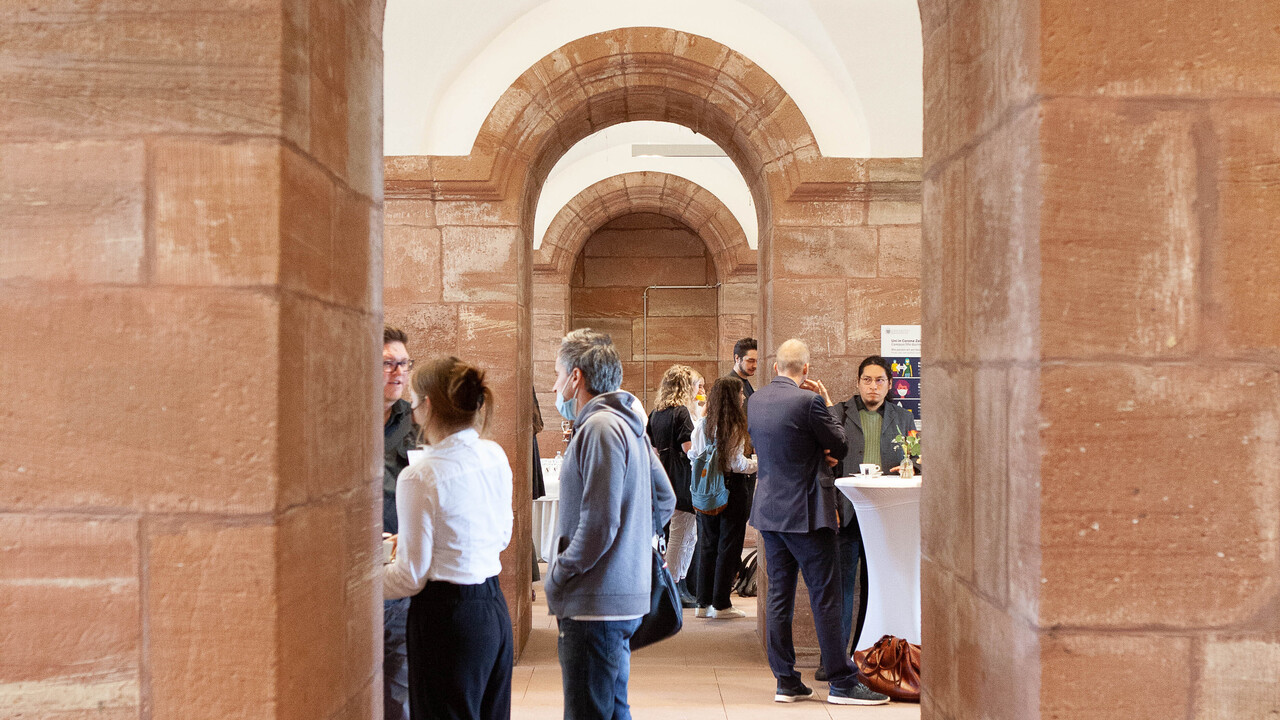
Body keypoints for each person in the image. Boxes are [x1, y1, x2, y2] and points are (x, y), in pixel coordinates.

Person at [746, 339, 889, 706]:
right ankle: (842, 682)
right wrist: (825, 403)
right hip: (807, 513)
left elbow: (781, 446)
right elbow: (839, 445)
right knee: (826, 596)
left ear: (775, 367)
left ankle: (786, 681)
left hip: (769, 513)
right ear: (806, 370)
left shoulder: (756, 400)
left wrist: (816, 450)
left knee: (779, 596)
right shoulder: (809, 402)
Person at [543, 329, 676, 720]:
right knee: (613, 708)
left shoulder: (600, 427)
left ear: (576, 377)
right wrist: (631, 547)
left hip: (594, 603)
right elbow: (664, 498)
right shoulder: (627, 423)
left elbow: (599, 524)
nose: (554, 386)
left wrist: (559, 574)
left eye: (557, 374)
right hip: (615, 598)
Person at [382, 356, 514, 720]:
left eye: (413, 403)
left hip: (447, 617)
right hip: (493, 607)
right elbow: (502, 535)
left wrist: (360, 581)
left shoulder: (420, 475)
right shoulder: (494, 454)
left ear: (427, 406)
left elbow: (410, 576)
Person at [805, 356, 919, 676]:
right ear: (858, 383)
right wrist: (830, 507)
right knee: (840, 591)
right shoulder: (840, 413)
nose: (873, 386)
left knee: (876, 590)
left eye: (879, 380)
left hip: (887, 517)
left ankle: (866, 657)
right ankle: (832, 661)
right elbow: (825, 464)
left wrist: (910, 468)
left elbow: (916, 459)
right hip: (847, 515)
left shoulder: (903, 417)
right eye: (867, 380)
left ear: (889, 385)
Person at [688, 375, 757, 619]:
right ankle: (721, 605)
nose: (743, 397)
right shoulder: (734, 426)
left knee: (707, 545)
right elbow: (738, 464)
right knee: (729, 546)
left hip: (705, 490)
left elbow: (693, 456)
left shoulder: (702, 424)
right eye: (740, 393)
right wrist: (757, 464)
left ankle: (703, 603)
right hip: (731, 489)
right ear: (731, 398)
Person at [381, 326, 416, 720]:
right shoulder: (344, 418)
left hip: (400, 571)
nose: (399, 373)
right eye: (389, 364)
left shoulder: (416, 422)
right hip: (351, 573)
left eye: (404, 364)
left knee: (399, 687)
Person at [647, 364, 701, 607]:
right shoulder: (681, 413)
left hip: (663, 477)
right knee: (683, 535)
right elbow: (689, 449)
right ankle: (675, 586)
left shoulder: (655, 413)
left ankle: (676, 584)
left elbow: (653, 450)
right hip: (682, 477)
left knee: (674, 534)